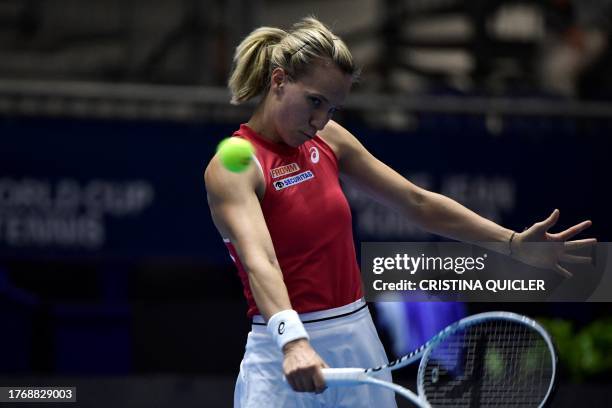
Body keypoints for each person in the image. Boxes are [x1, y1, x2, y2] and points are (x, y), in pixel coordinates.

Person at [204, 17, 596, 408]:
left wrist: (511, 243)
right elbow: (261, 262)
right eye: (314, 101)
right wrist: (293, 341)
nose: (320, 119)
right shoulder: (234, 167)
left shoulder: (327, 139)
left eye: (332, 108)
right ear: (278, 81)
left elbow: (416, 202)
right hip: (280, 350)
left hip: (356, 337)